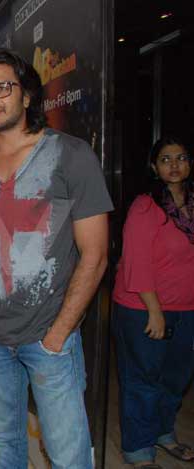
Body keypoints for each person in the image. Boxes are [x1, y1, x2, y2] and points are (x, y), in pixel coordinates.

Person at [0, 48, 112, 469]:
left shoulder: (70, 154)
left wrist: (59, 333)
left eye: (2, 88)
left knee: (67, 454)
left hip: (49, 338)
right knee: (6, 444)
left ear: (26, 95)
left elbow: (95, 254)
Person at [112, 136, 194, 468]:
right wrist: (154, 311)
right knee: (143, 378)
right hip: (143, 308)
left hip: (187, 308)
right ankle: (138, 447)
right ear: (154, 166)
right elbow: (136, 263)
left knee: (177, 377)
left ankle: (163, 432)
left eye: (181, 157)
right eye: (165, 159)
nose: (174, 165)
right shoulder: (145, 207)